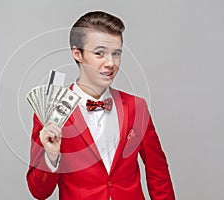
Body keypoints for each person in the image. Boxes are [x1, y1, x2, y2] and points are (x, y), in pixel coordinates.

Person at [26, 11, 175, 200]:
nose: (111, 63)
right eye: (99, 53)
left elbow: (158, 173)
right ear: (77, 54)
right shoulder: (51, 110)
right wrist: (52, 157)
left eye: (117, 53)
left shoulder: (137, 107)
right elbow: (38, 192)